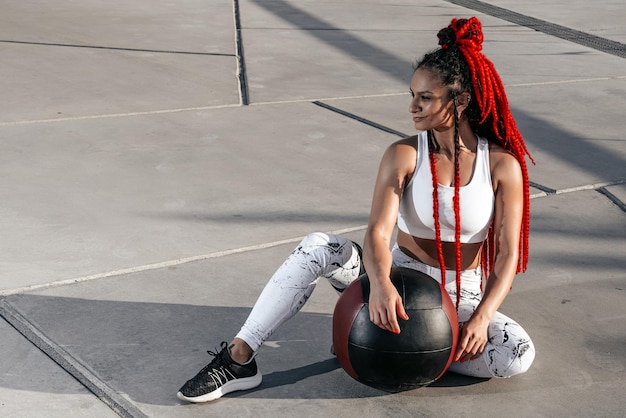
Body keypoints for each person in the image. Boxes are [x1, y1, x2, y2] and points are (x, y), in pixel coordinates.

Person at [177, 16, 536, 403]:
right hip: (398, 273)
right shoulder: (404, 155)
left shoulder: (501, 165)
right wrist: (380, 283)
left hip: (460, 293)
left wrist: (481, 318)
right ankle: (239, 360)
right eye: (412, 94)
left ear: (460, 100)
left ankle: (382, 343)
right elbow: (379, 232)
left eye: (425, 97)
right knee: (318, 247)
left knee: (517, 355)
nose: (412, 106)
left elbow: (506, 255)